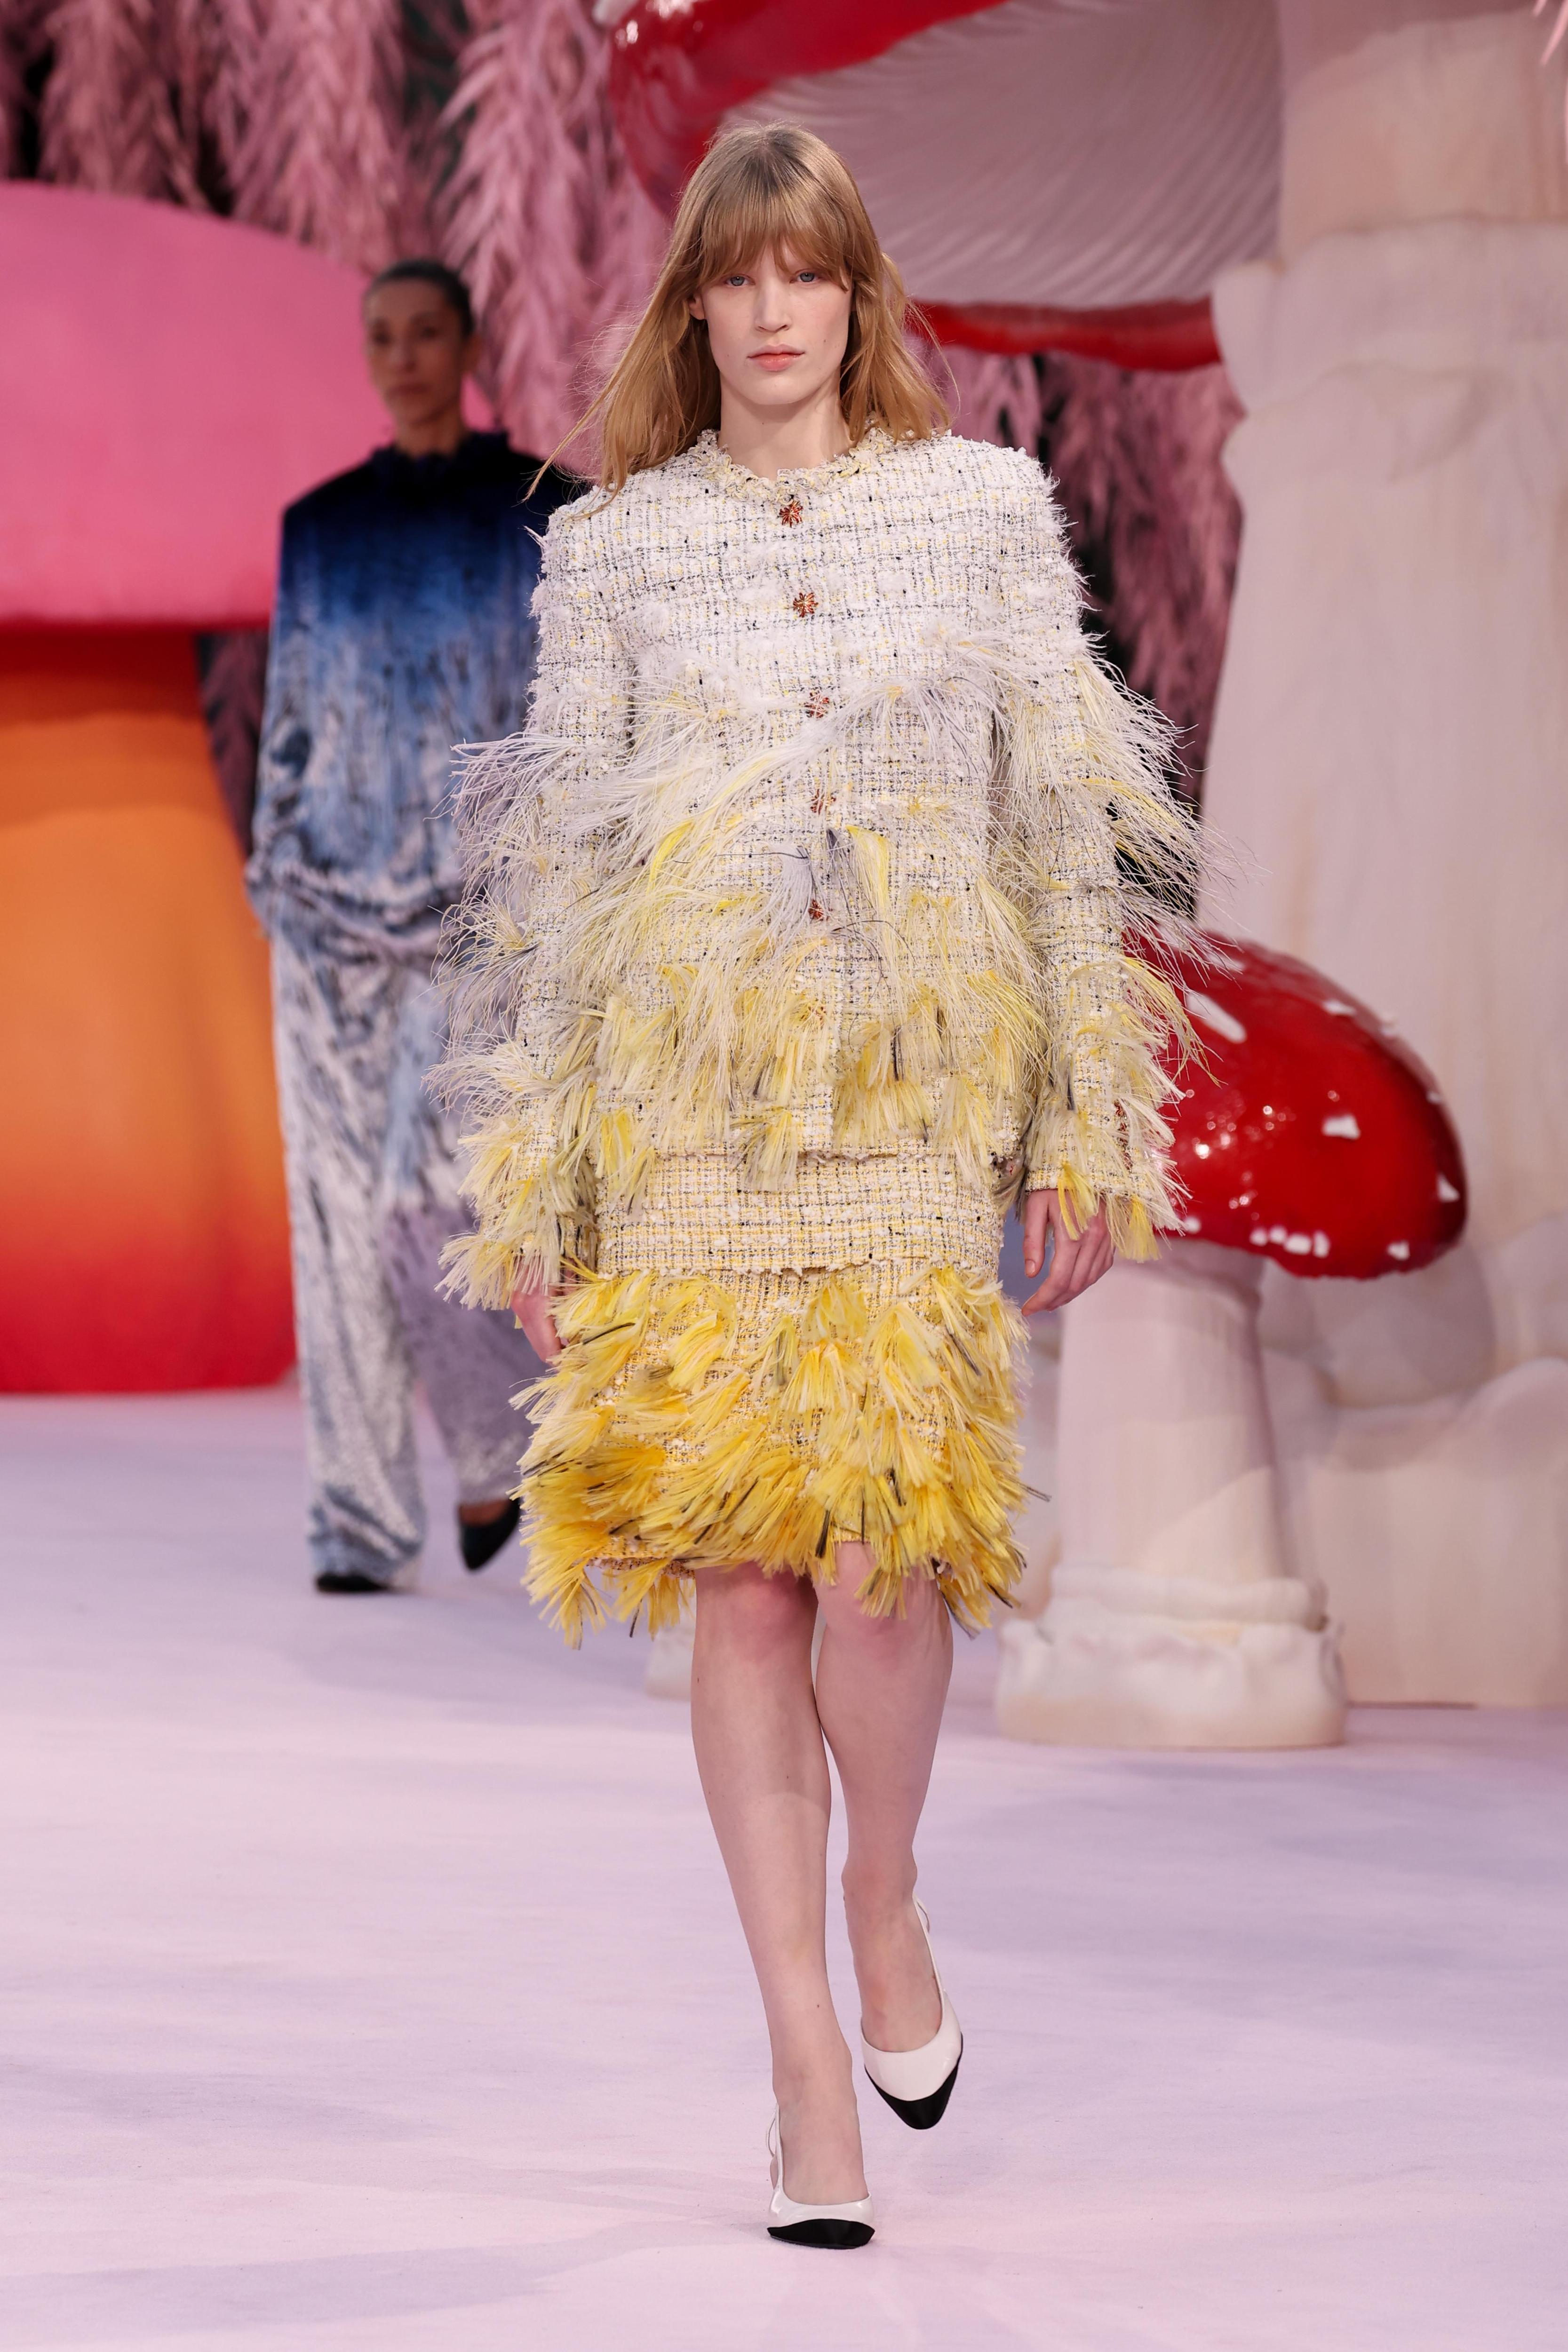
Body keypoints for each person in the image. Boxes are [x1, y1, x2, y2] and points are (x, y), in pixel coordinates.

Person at [442, 129, 1198, 2242]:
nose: (775, 313)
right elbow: (569, 876)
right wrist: (544, 1177)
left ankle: (884, 1892)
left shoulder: (982, 515)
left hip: (907, 1103)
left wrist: (1085, 1111)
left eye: (811, 274)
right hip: (686, 1116)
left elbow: (1059, 829)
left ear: (859, 298)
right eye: (739, 276)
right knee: (745, 1581)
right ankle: (803, 2071)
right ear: (693, 303)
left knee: (883, 1560)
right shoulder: (616, 554)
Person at [249, 260, 576, 1595]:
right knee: (331, 1220)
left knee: (432, 1197)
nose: (403, 355)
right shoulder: (320, 527)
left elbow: (573, 725)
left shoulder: (548, 512)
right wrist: (274, 868)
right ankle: (358, 1526)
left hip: (481, 921)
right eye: (382, 335)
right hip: (324, 912)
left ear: (471, 344)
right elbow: (289, 718)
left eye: (427, 331)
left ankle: (498, 1446)